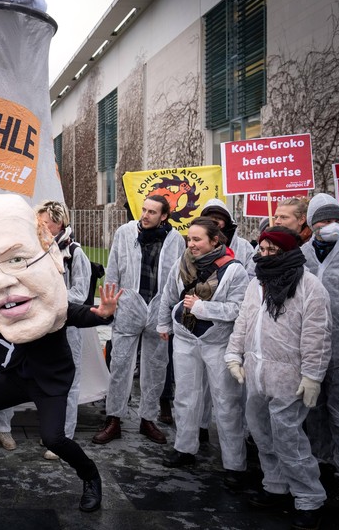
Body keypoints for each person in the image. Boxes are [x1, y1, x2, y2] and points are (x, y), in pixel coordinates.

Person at [0, 194, 121, 513]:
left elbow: (78, 313)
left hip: (52, 380)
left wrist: (103, 313)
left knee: (54, 439)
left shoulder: (50, 298)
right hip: (20, 374)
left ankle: (91, 477)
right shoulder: (7, 293)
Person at [225, 226, 332, 530]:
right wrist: (234, 354)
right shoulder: (256, 283)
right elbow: (244, 321)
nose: (266, 255)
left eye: (274, 250)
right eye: (263, 248)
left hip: (289, 375)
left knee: (289, 440)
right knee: (261, 433)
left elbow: (317, 335)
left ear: (288, 252)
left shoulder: (309, 287)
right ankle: (275, 485)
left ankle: (309, 498)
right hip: (257, 372)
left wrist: (313, 375)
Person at [156, 217, 248, 488]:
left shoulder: (234, 271)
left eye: (197, 239)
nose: (191, 244)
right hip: (184, 339)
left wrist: (203, 308)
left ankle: (235, 464)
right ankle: (184, 449)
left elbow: (239, 309)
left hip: (218, 343)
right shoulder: (181, 263)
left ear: (215, 240)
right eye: (189, 238)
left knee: (226, 402)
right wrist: (164, 321)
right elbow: (168, 294)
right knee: (185, 396)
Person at [93, 194, 185, 445]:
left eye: (152, 212)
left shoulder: (175, 239)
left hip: (158, 306)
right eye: (143, 210)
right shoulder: (125, 232)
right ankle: (113, 418)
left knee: (156, 366)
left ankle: (148, 418)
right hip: (129, 303)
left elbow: (178, 276)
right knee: (120, 362)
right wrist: (109, 302)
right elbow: (113, 267)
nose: (145, 215)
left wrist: (170, 309)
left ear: (164, 216)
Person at [300, 194, 339, 508]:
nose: (329, 226)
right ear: (311, 225)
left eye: (335, 220)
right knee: (315, 410)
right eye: (321, 221)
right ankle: (322, 461)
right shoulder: (303, 254)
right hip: (312, 349)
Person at [35, 199, 93, 458]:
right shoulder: (37, 249)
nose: (40, 227)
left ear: (58, 223)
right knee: (45, 382)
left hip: (67, 326)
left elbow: (80, 293)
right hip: (42, 326)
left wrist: (49, 299)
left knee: (69, 382)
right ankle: (50, 432)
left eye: (45, 223)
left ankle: (63, 438)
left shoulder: (75, 253)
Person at [246, 197, 310, 279]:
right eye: (276, 217)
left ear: (301, 220)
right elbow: (251, 276)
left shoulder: (311, 247)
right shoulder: (264, 244)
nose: (277, 221)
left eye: (284, 217)